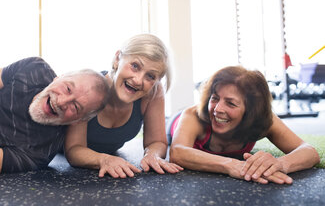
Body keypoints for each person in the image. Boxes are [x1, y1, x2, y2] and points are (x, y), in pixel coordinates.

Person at [0, 57, 109, 182]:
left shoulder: (39, 152)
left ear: (78, 121)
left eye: (75, 107)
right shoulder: (34, 69)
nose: (61, 102)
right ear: (58, 77)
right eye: (67, 88)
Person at [169, 66, 320, 184]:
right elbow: (178, 152)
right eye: (215, 98)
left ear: (251, 110)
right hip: (174, 125)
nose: (218, 109)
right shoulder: (194, 115)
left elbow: (309, 152)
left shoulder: (263, 119)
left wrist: (279, 164)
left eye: (231, 103)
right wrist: (232, 165)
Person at [65, 34, 183, 178]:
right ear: (117, 59)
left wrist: (152, 155)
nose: (138, 80)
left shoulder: (153, 93)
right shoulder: (91, 87)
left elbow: (156, 142)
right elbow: (74, 149)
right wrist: (104, 159)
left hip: (111, 158)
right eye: (135, 66)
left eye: (150, 76)